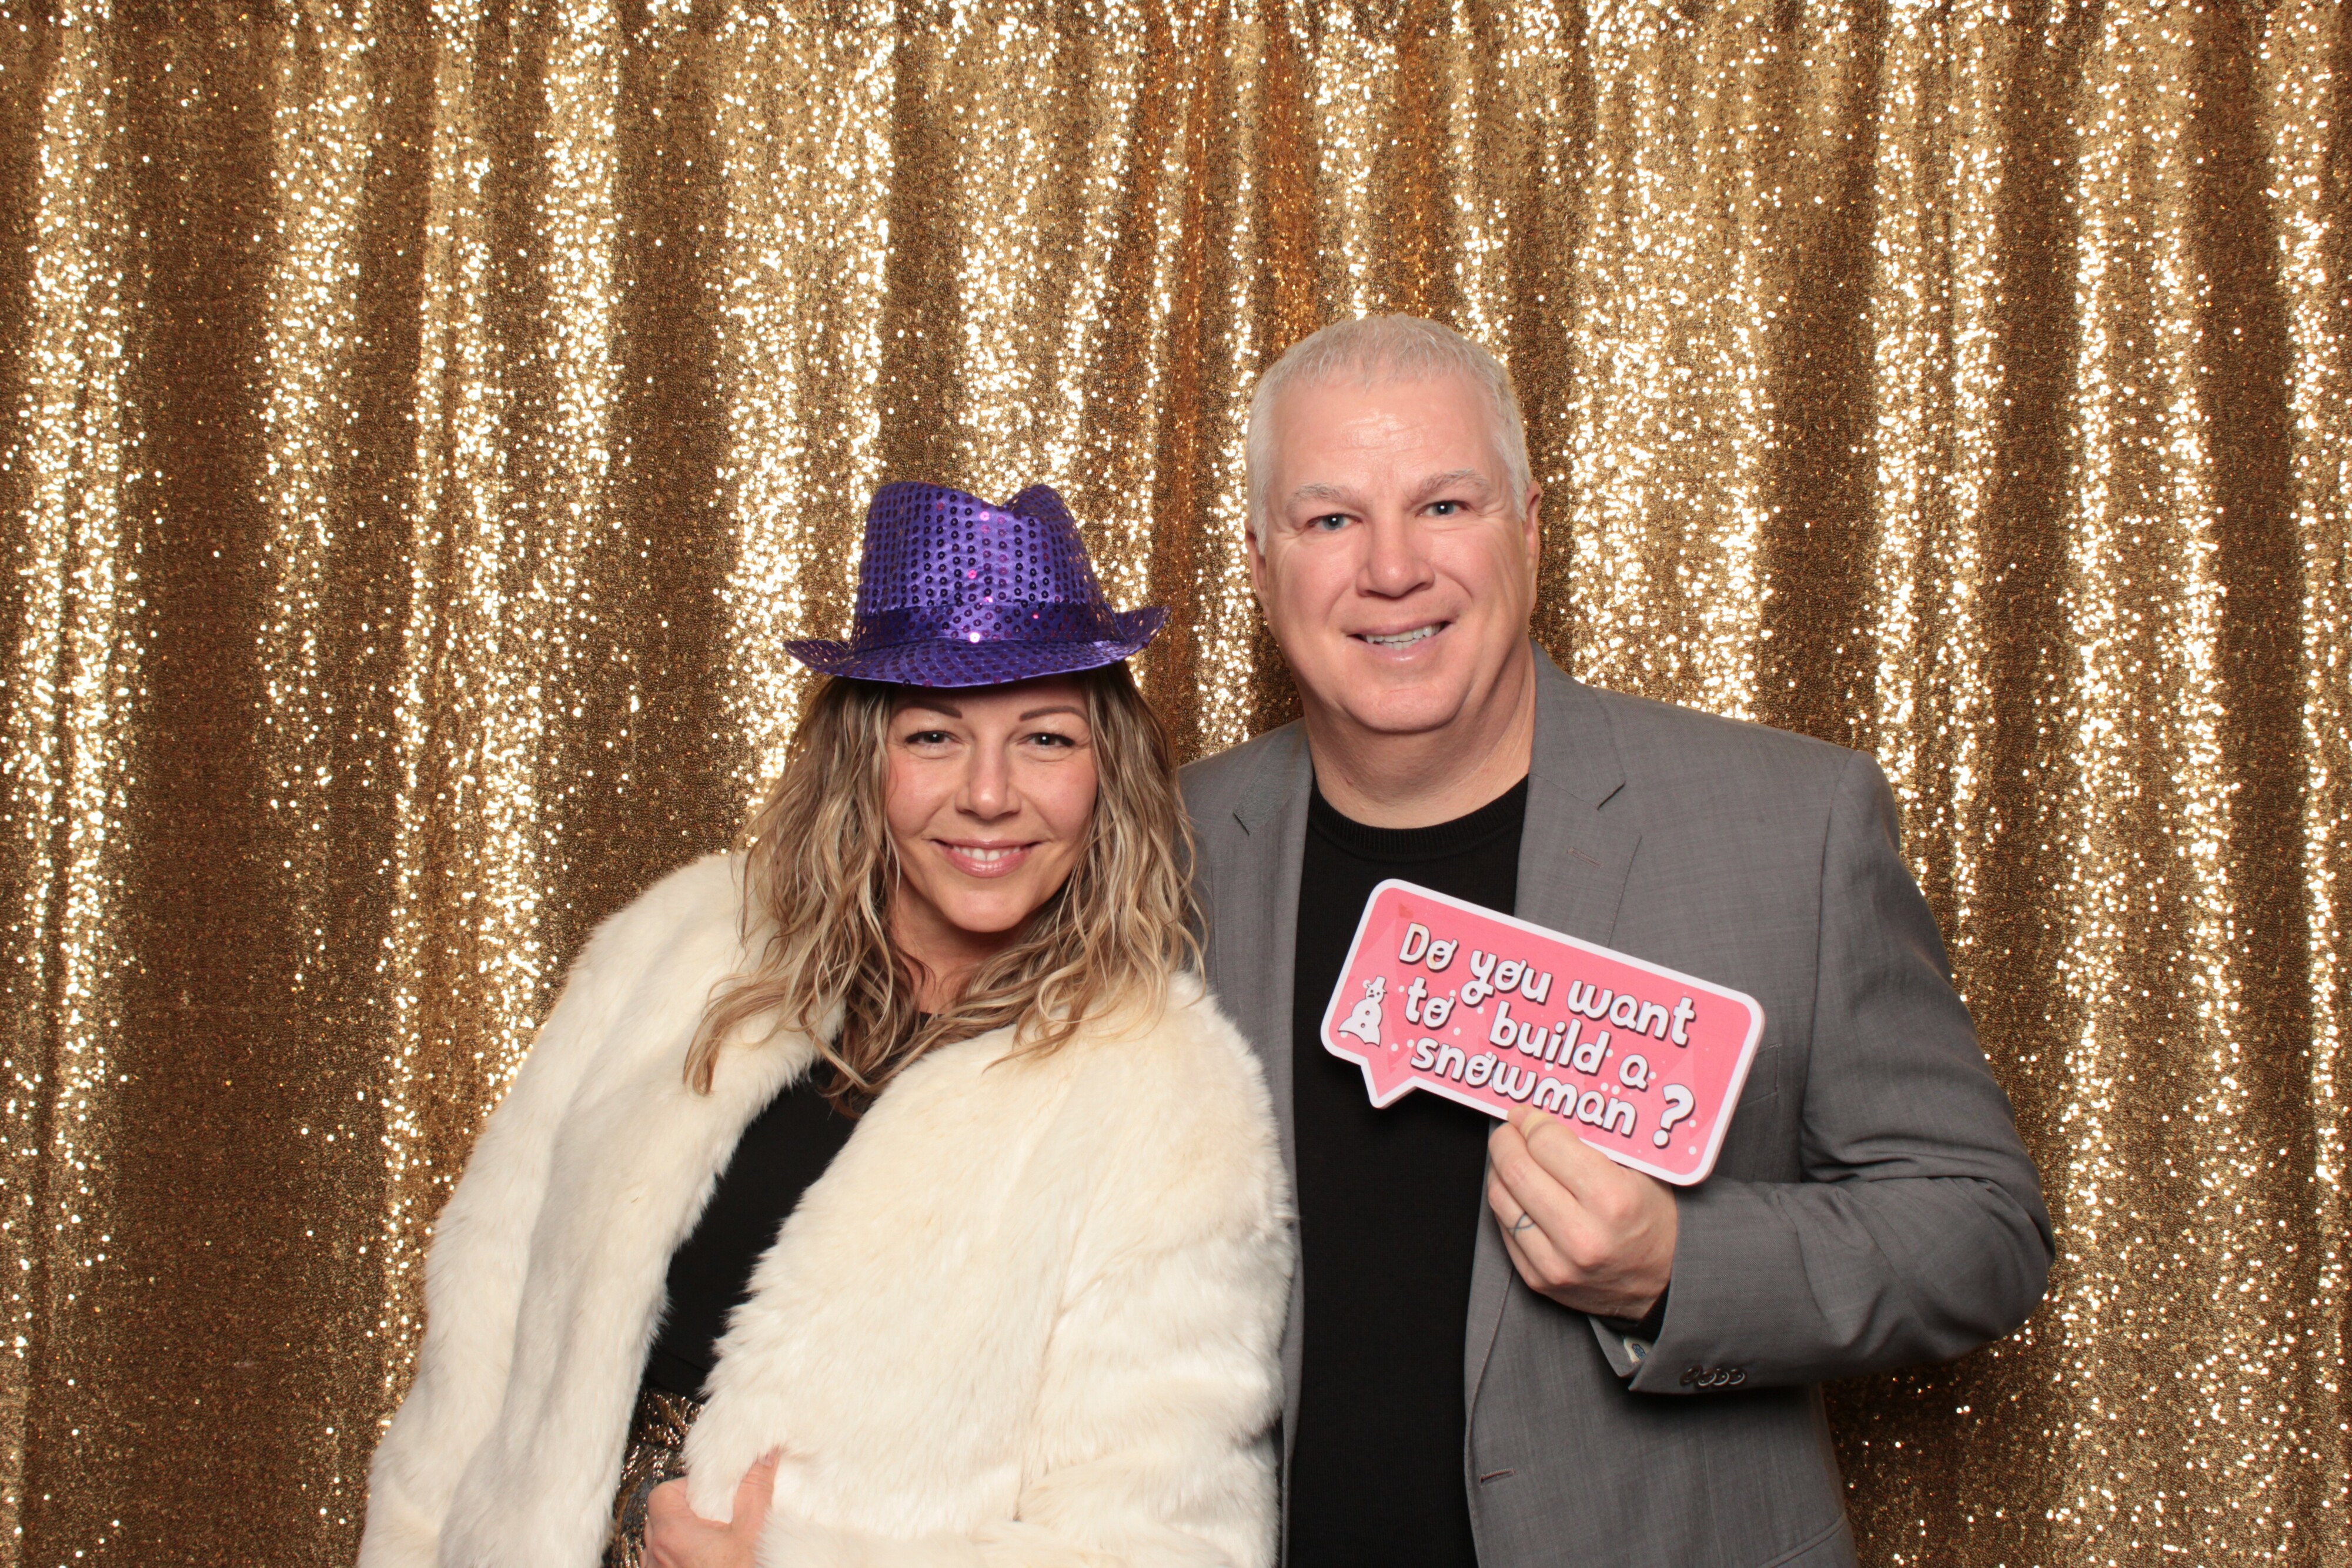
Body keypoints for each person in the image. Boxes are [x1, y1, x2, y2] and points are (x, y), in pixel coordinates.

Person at [1181, 316, 2053, 1568]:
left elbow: (1980, 1228)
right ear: (1261, 565)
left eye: (1444, 504)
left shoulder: (1790, 824)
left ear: (1530, 530)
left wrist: (1678, 1265)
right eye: (1329, 519)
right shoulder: (1161, 852)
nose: (1391, 567)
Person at [357, 483, 1292, 1568]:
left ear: (1107, 774)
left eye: (1045, 738)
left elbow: (1170, 1545)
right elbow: (475, 1359)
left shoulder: (1166, 1093)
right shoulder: (682, 948)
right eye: (934, 735)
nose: (991, 795)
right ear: (862, 756)